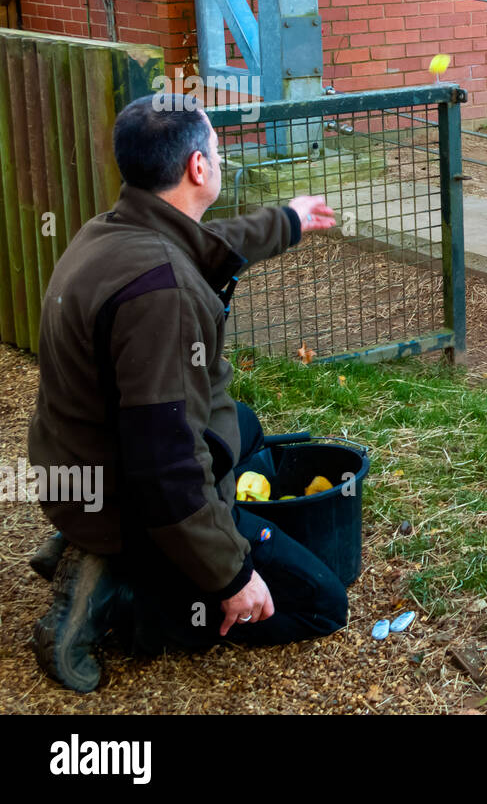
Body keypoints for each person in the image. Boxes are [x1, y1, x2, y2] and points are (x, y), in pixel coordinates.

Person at [26, 95, 348, 692]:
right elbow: (165, 466)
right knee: (321, 604)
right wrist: (231, 576)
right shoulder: (162, 294)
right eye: (219, 152)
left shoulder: (114, 230)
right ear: (199, 168)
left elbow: (204, 244)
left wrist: (288, 220)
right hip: (130, 496)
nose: (221, 161)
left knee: (241, 424)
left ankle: (89, 536)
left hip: (73, 467)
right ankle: (117, 589)